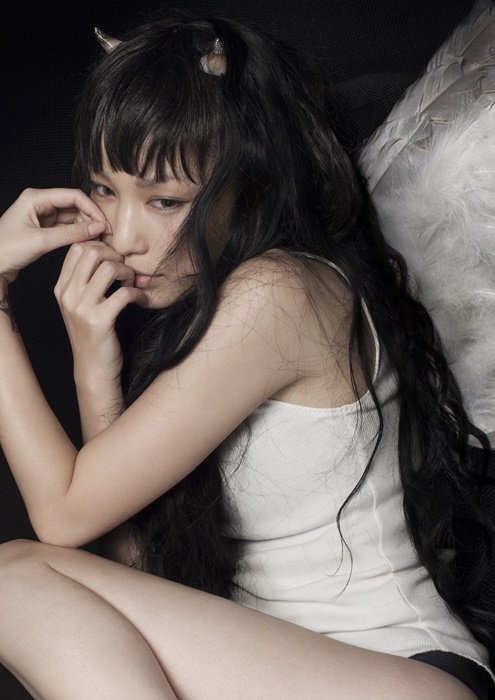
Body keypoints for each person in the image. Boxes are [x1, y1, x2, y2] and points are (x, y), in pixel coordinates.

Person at [0, 15, 493, 700]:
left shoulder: (282, 292)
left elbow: (61, 514)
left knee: (11, 578)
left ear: (250, 186)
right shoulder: (208, 310)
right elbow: (137, 573)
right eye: (106, 190)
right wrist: (94, 367)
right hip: (273, 674)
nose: (125, 235)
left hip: (404, 671)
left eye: (165, 199)